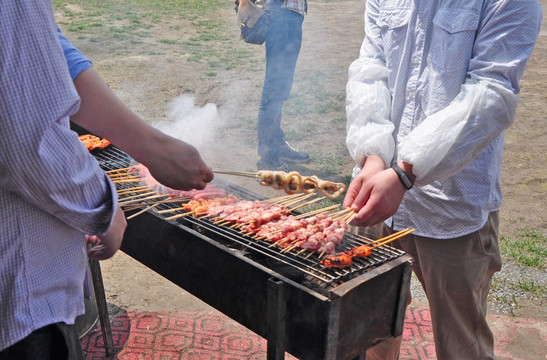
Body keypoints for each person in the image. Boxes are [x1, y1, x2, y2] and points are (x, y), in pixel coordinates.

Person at [0, 2, 213, 359]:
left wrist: (151, 146)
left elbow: (47, 50)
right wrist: (103, 204)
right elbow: (25, 140)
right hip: (18, 292)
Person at [343, 1, 542, 359]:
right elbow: (371, 71)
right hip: (376, 198)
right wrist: (373, 157)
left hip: (451, 204)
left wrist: (406, 172)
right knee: (370, 328)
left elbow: (490, 94)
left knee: (461, 343)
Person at [255, 0, 311, 170]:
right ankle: (268, 159)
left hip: (290, 14)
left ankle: (275, 145)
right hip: (280, 15)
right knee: (273, 91)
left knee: (279, 89)